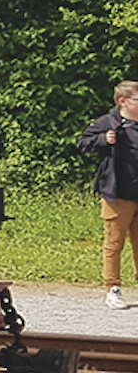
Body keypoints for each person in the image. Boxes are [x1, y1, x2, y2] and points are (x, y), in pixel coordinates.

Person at [76, 81, 138, 310]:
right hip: (118, 194)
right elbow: (81, 142)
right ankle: (113, 289)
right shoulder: (108, 122)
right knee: (114, 243)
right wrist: (103, 140)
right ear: (123, 101)